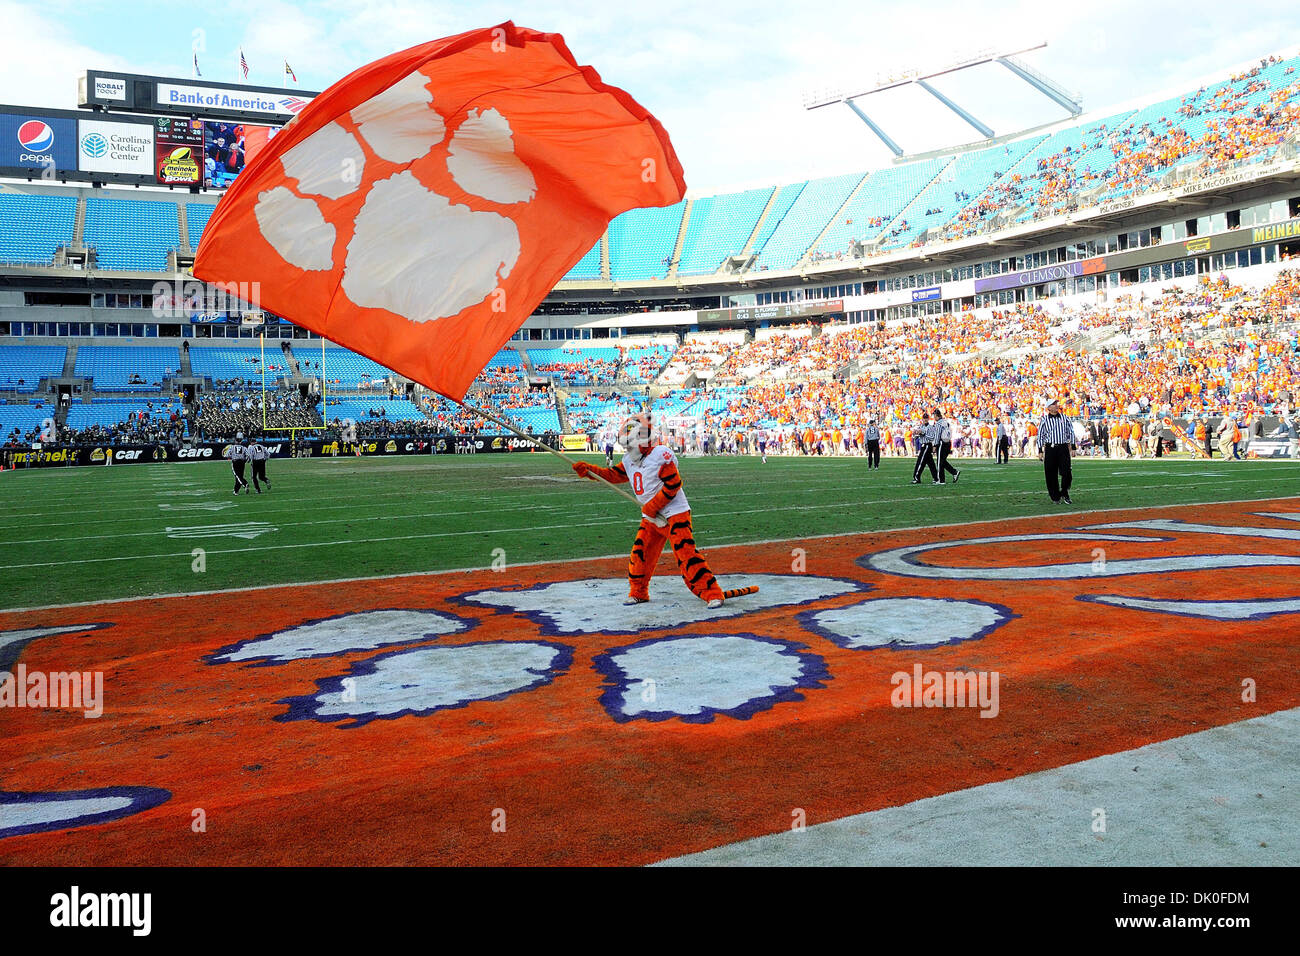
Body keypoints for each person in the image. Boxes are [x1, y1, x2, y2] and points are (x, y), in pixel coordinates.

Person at [571, 414, 750, 609]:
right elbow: (614, 475)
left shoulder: (659, 455)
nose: (628, 449)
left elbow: (673, 484)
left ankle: (712, 593)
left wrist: (652, 506)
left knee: (686, 554)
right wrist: (590, 471)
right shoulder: (629, 460)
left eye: (631, 444)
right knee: (641, 554)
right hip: (650, 516)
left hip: (674, 514)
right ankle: (638, 592)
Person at [1037, 398, 1076, 505]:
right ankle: (1055, 496)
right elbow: (1040, 435)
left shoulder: (1064, 417)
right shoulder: (1044, 419)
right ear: (1049, 408)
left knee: (1067, 472)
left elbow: (1071, 432)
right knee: (1050, 473)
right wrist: (1040, 450)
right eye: (1053, 404)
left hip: (1063, 447)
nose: (1056, 405)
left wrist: (1073, 446)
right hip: (1051, 448)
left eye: (1056, 403)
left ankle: (1064, 492)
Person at [933, 408, 959, 484]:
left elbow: (937, 435)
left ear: (936, 415)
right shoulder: (946, 422)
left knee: (939, 462)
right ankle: (954, 472)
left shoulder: (938, 423)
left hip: (942, 443)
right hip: (948, 442)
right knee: (942, 461)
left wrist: (934, 445)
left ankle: (940, 479)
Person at [911, 414, 936, 484]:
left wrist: (924, 434)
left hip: (927, 445)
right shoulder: (921, 426)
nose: (925, 419)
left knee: (920, 461)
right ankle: (936, 477)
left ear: (928, 419)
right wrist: (915, 433)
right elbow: (915, 436)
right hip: (923, 445)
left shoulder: (930, 427)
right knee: (930, 463)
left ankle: (916, 477)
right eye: (924, 418)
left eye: (926, 418)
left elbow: (932, 437)